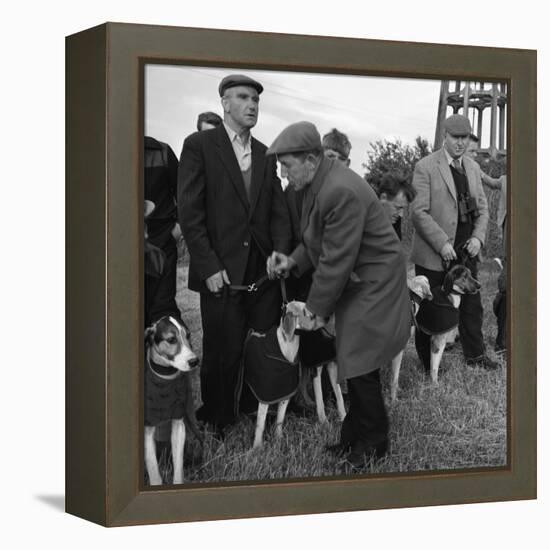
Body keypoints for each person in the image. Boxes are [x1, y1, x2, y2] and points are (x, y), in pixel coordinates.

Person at [266, 121, 411, 469]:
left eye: (288, 166)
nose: (284, 175)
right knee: (353, 359)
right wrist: (293, 261)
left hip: (374, 283)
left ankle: (374, 445)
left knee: (360, 363)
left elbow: (336, 260)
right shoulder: (319, 185)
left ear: (312, 159)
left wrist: (315, 310)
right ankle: (353, 438)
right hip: (361, 281)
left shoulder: (337, 190)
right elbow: (317, 242)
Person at [178, 74, 291, 432]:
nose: (252, 104)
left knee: (259, 345)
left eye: (256, 99)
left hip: (260, 272)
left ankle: (250, 406)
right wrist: (208, 264)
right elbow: (190, 211)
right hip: (220, 270)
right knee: (220, 351)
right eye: (243, 97)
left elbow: (277, 212)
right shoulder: (199, 145)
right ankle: (218, 418)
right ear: (224, 103)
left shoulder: (264, 153)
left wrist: (279, 254)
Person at [410, 114, 498, 371]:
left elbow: (482, 209)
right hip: (434, 253)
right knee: (430, 308)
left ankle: (476, 356)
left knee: (472, 307)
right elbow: (418, 212)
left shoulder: (472, 167)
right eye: (455, 137)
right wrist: (442, 244)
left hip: (466, 252)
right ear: (444, 137)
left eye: (465, 138)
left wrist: (478, 239)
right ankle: (428, 364)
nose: (460, 143)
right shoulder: (425, 167)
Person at [144, 136, 182, 327]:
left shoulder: (162, 152)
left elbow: (184, 192)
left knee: (163, 307)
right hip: (120, 247)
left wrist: (178, 229)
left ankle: (172, 354)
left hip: (162, 242)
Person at [376, 171, 416, 240]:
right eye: (397, 208)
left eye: (403, 209)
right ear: (383, 198)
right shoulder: (363, 219)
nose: (401, 215)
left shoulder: (395, 222)